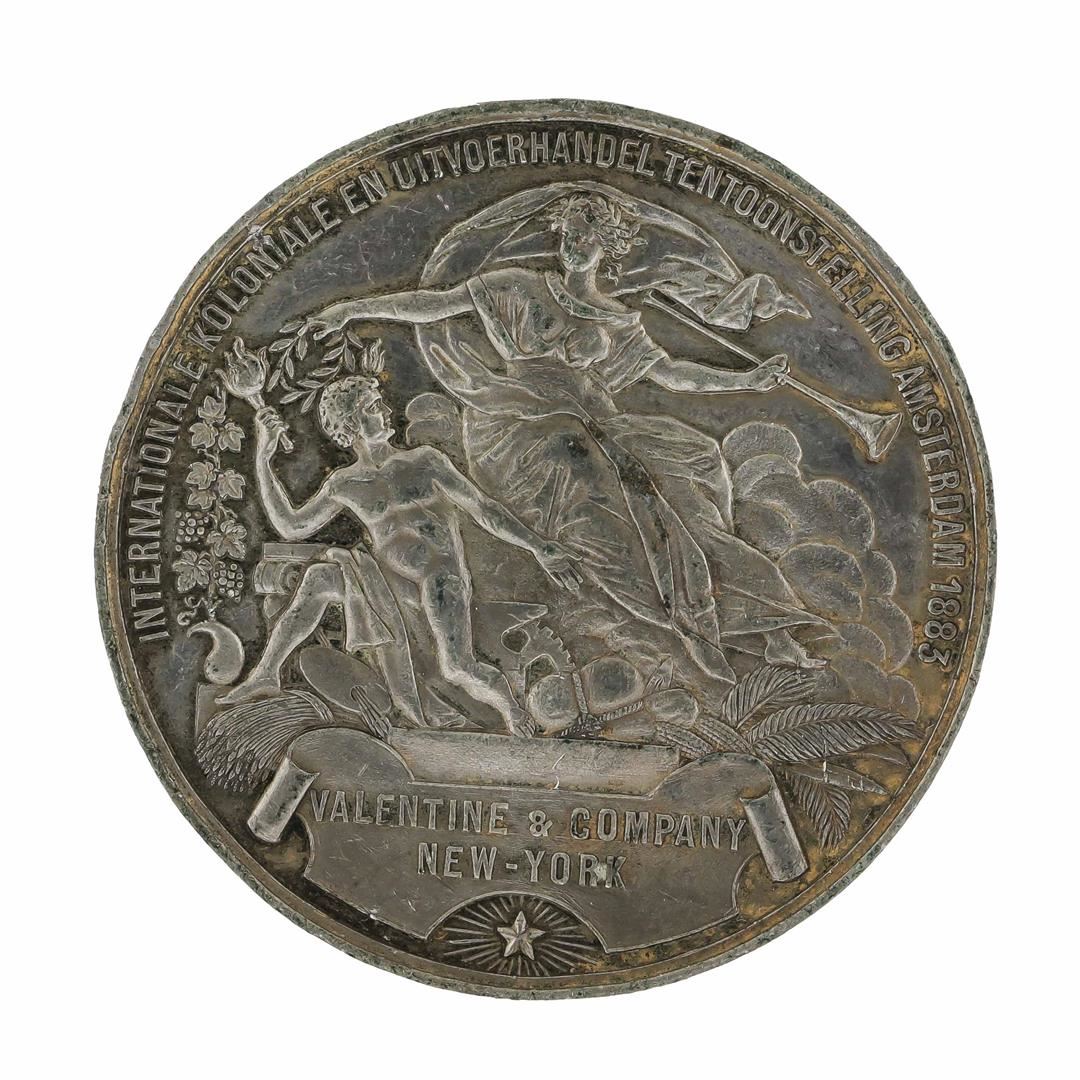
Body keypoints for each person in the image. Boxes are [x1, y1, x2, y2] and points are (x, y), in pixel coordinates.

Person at [304, 190, 828, 685]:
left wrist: (747, 380)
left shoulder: (618, 320)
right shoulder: (515, 287)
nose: (575, 245)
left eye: (587, 237)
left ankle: (770, 629)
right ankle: (687, 625)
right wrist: (352, 309)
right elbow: (433, 304)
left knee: (694, 466)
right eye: (570, 234)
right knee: (607, 481)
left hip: (589, 425)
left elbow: (672, 375)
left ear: (609, 246)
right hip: (515, 428)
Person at [219, 366, 582, 737]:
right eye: (374, 406)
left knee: (457, 667)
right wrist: (263, 458)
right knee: (319, 578)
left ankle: (510, 707)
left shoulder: (425, 462)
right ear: (352, 423)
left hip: (439, 579)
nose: (385, 410)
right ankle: (265, 674)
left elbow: (483, 508)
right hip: (387, 586)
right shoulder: (345, 483)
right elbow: (291, 526)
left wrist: (538, 546)